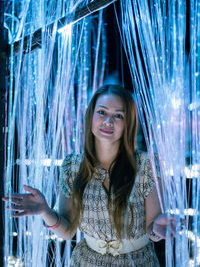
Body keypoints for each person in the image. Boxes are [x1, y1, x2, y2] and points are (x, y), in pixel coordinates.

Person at [3, 84, 179, 266]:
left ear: (128, 123)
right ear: (91, 116)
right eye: (102, 112)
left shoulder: (146, 165)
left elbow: (152, 229)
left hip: (137, 261)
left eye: (118, 115)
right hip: (87, 261)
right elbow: (68, 230)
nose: (108, 121)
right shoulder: (73, 167)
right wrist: (45, 211)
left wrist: (158, 229)